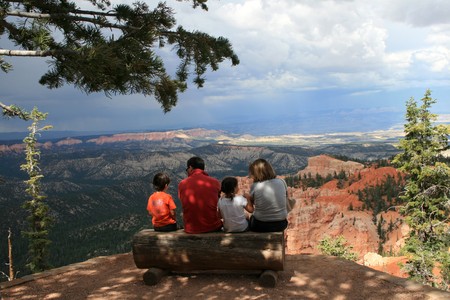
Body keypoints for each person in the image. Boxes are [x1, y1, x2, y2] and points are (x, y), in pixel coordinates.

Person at [178, 156, 223, 233]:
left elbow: (183, 202)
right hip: (213, 227)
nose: (187, 172)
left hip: (190, 229)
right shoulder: (215, 182)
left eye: (187, 169)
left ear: (190, 167)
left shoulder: (182, 184)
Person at [245, 158, 288, 232]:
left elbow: (252, 205)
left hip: (261, 225)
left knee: (248, 218)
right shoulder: (282, 182)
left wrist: (247, 197)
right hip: (281, 224)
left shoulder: (255, 186)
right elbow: (285, 197)